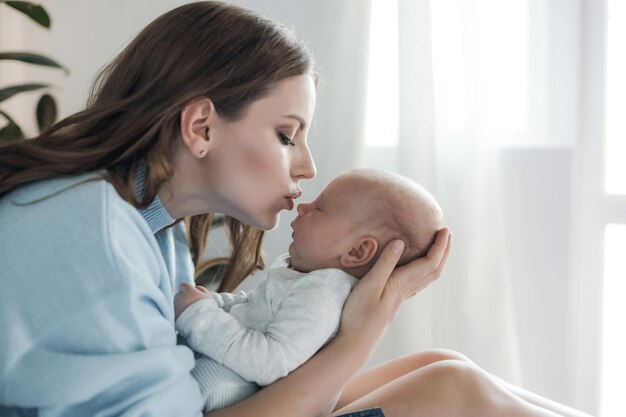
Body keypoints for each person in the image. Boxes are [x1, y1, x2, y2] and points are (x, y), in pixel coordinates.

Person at [0, 2, 591, 417]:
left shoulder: (150, 226)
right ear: (201, 126)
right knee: (450, 389)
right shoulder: (90, 228)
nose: (307, 167)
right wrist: (360, 335)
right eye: (287, 135)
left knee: (444, 362)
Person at [173, 168, 445, 413]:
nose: (303, 206)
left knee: (447, 370)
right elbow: (254, 307)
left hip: (224, 390)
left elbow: (270, 361)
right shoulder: (311, 280)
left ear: (358, 251)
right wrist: (213, 301)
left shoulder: (323, 295)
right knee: (444, 364)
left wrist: (198, 314)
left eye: (320, 208)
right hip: (236, 378)